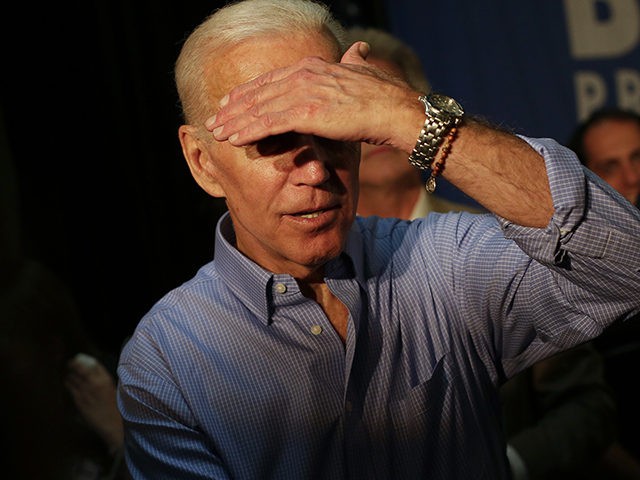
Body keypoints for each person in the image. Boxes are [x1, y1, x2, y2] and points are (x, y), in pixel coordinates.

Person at [116, 0, 640, 478]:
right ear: (203, 161)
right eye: (273, 139)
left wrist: (412, 117)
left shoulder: (440, 264)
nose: (316, 171)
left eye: (335, 129)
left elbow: (629, 265)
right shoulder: (169, 362)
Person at [347, 26, 619, 480]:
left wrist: (506, 463)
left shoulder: (502, 238)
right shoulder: (305, 258)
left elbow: (587, 407)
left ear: (422, 114)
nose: (374, 134)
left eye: (386, 106)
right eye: (356, 110)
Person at [566, 106, 640, 479]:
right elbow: (577, 408)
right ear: (586, 183)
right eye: (610, 167)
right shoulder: (570, 279)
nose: (632, 177)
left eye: (638, 157)